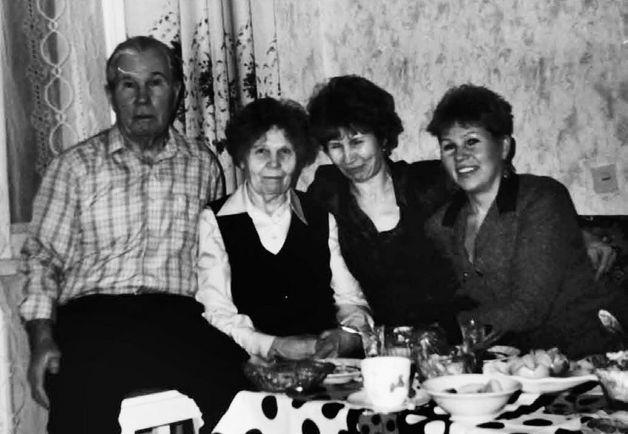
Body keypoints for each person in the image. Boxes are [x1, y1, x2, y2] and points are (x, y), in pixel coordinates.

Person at [19, 36, 247, 433]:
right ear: (111, 94)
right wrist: (41, 339)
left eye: (155, 82)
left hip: (177, 316)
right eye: (129, 84)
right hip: (94, 317)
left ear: (176, 92)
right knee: (81, 405)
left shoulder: (202, 165)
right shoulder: (74, 167)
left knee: (242, 394)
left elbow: (215, 259)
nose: (142, 98)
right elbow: (43, 259)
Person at [306, 75, 617, 342]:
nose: (349, 157)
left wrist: (579, 234)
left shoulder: (430, 183)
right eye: (335, 146)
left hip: (465, 334)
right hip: (405, 341)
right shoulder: (327, 193)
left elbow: (508, 195)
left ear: (382, 138)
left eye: (357, 141)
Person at [424, 84, 626, 357]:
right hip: (516, 361)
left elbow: (528, 307)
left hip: (591, 353)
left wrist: (441, 330)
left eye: (472, 141)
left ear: (504, 146)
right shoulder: (442, 223)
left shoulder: (542, 198)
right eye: (449, 146)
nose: (460, 156)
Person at [196, 97, 374, 361]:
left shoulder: (321, 216)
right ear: (242, 159)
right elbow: (217, 314)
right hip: (252, 368)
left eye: (285, 152)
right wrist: (274, 345)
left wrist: (348, 336)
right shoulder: (215, 220)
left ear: (298, 158)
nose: (274, 163)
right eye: (261, 151)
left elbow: (351, 300)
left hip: (325, 364)